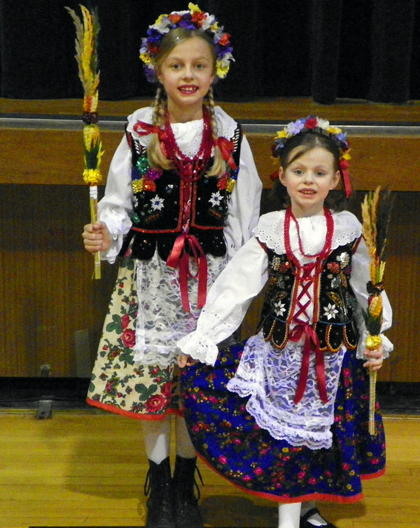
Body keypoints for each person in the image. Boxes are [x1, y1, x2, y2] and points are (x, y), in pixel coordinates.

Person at [81, 5, 262, 528]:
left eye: (199, 66)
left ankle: (187, 482)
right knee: (157, 390)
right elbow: (118, 203)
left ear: (215, 71)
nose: (188, 76)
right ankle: (160, 485)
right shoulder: (139, 130)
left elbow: (245, 218)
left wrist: (238, 285)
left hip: (211, 283)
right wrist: (106, 231)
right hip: (151, 278)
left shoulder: (230, 134)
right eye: (177, 66)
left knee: (196, 389)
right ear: (158, 71)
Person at [177, 116, 394, 528]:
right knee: (283, 435)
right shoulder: (272, 228)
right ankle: (289, 517)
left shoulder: (349, 230)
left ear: (335, 179)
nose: (308, 180)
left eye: (319, 172)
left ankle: (305, 508)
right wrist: (203, 338)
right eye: (299, 171)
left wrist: (375, 338)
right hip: (281, 352)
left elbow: (370, 291)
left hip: (333, 354)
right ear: (283, 176)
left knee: (318, 436)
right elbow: (237, 286)